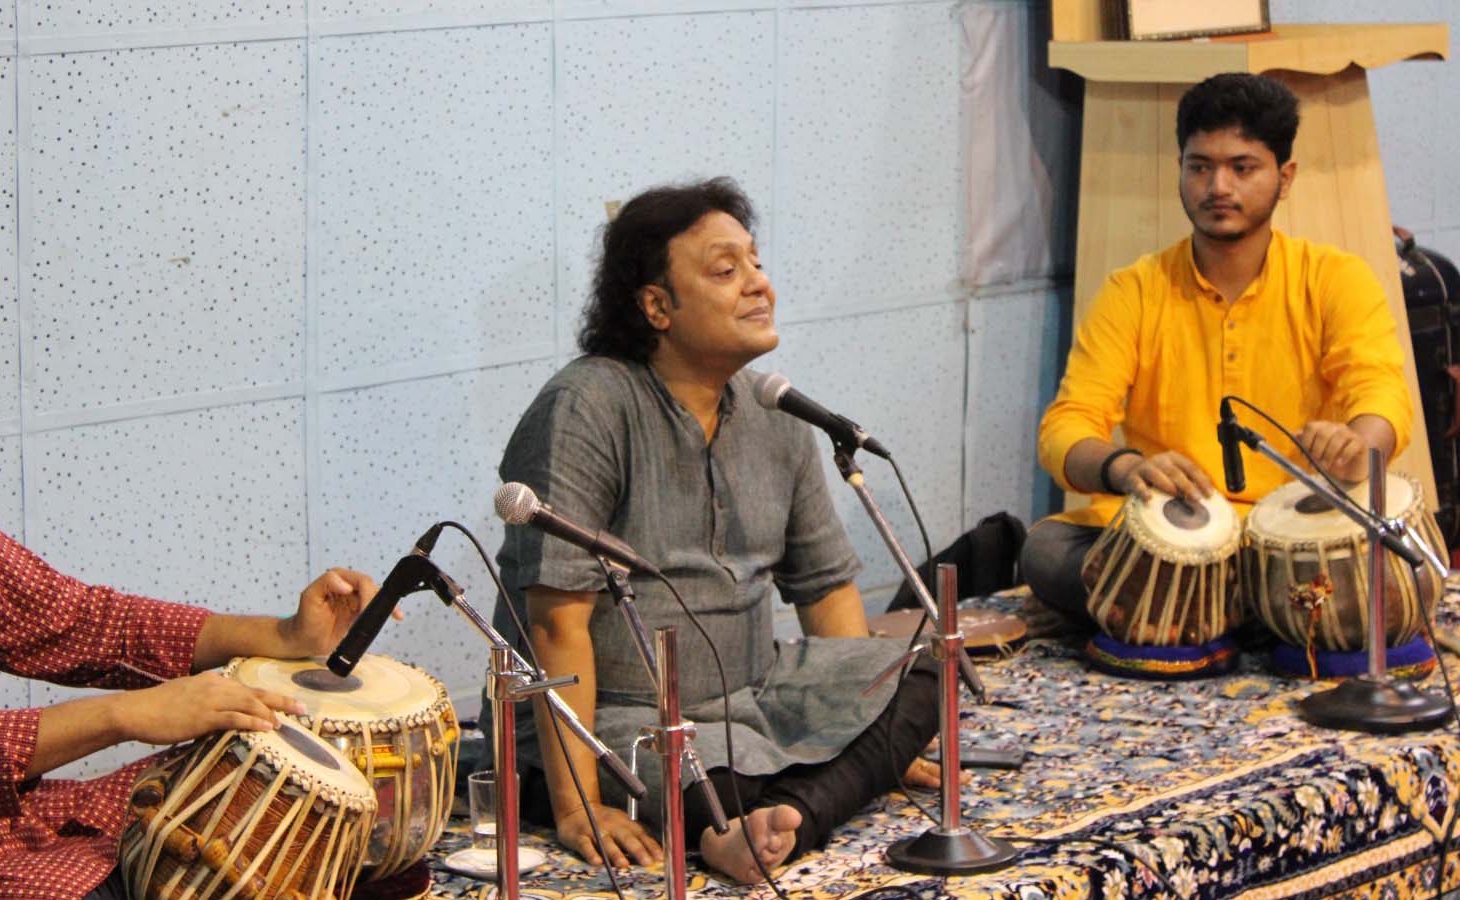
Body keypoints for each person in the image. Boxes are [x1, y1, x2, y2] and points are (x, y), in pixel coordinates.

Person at [0, 226, 383, 899]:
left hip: (9, 825)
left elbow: (73, 619)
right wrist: (124, 716)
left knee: (269, 785)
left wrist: (282, 635)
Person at [485, 178, 944, 884]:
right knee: (701, 779)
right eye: (727, 270)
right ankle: (766, 815)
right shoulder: (587, 408)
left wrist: (863, 719)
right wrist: (578, 806)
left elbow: (825, 590)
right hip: (619, 720)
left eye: (756, 263)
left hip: (752, 705)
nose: (759, 284)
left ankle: (767, 822)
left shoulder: (776, 412)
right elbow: (555, 624)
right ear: (657, 307)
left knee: (927, 674)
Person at [1022, 73, 1413, 623]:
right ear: (1179, 169)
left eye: (1242, 168)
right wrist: (1126, 468)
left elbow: (1380, 392)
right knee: (1046, 551)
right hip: (1172, 532)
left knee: (1400, 564)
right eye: (1200, 166)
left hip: (1296, 533)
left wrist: (1356, 442)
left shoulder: (1334, 279)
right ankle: (1262, 613)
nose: (1218, 187)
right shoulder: (1134, 290)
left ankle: (1193, 612)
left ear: (1285, 177)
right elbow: (1066, 425)